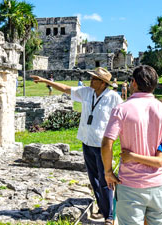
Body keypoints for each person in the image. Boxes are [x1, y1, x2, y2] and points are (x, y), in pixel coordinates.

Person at [31, 67, 123, 225]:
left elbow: (122, 118)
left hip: (102, 145)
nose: (91, 80)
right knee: (93, 179)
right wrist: (46, 81)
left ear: (102, 83)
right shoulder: (87, 92)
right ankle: (102, 206)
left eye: (94, 78)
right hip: (86, 141)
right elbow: (66, 89)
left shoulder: (113, 97)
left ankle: (109, 214)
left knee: (105, 178)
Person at [101, 65, 162, 225]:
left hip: (130, 183)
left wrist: (108, 172)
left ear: (133, 83)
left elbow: (107, 143)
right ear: (155, 85)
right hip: (158, 183)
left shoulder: (121, 109)